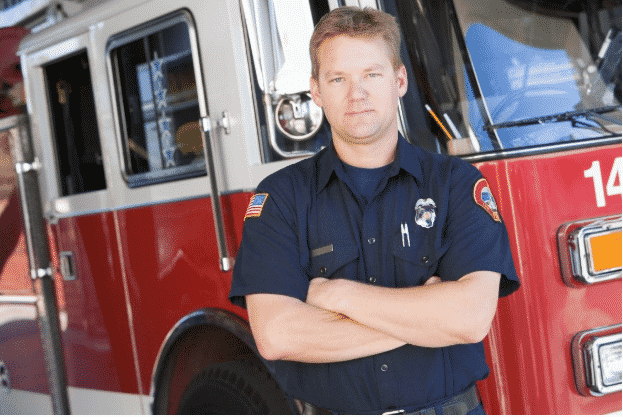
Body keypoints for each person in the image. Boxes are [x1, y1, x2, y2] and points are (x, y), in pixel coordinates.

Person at [229, 6, 519, 415]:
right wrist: (426, 315)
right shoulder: (280, 198)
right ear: (316, 91)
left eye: (371, 74)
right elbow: (277, 335)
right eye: (338, 79)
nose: (356, 93)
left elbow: (469, 319)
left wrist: (336, 294)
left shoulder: (456, 184)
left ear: (399, 80)